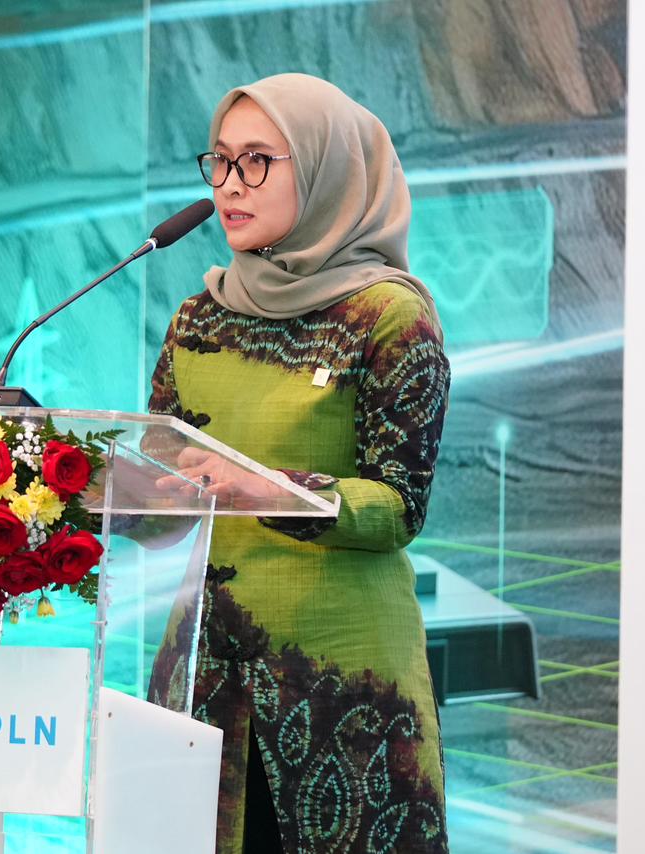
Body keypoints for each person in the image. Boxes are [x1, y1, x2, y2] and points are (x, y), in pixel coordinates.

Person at [147, 73, 451, 854]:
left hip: (340, 687)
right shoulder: (197, 320)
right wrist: (77, 486)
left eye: (257, 161)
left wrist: (272, 490)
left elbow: (399, 506)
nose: (229, 185)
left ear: (323, 170)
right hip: (204, 679)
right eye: (219, 161)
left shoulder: (388, 316)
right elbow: (160, 474)